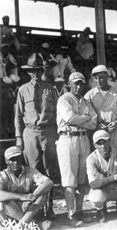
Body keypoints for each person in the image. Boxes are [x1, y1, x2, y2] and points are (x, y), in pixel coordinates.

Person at [15, 53, 58, 218]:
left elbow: (57, 114)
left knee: (50, 169)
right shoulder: (22, 90)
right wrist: (19, 136)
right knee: (34, 171)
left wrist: (57, 133)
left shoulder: (50, 88)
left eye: (39, 70)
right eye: (33, 71)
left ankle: (50, 207)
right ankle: (37, 209)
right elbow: (18, 115)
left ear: (42, 70)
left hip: (48, 132)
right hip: (30, 132)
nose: (36, 73)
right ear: (28, 72)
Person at [56, 72, 97, 227]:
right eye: (75, 83)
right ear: (69, 84)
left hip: (83, 138)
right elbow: (69, 119)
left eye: (81, 83)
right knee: (69, 180)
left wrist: (83, 120)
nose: (78, 86)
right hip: (68, 138)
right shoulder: (64, 99)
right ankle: (71, 214)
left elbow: (94, 123)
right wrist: (86, 118)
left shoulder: (86, 102)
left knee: (82, 178)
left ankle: (80, 212)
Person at [0, 146, 53, 230]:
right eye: (12, 159)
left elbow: (48, 182)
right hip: (11, 211)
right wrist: (21, 197)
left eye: (18, 159)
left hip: (28, 208)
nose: (16, 162)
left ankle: (23, 224)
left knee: (42, 193)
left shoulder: (30, 171)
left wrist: (33, 196)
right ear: (6, 161)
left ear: (22, 158)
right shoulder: (3, 175)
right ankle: (31, 224)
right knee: (2, 202)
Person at [85, 65, 117, 148]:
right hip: (98, 131)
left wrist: (116, 123)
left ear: (107, 76)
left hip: (116, 130)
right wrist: (96, 124)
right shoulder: (89, 95)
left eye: (101, 77)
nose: (98, 81)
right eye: (96, 78)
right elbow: (86, 116)